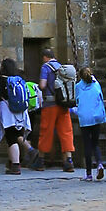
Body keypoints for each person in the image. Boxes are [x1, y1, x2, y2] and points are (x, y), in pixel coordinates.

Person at [35, 45, 76, 173]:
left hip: (50, 104)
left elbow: (42, 85)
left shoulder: (45, 67)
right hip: (63, 103)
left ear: (45, 57)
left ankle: (41, 160)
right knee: (66, 131)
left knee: (46, 130)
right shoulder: (61, 67)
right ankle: (68, 161)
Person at [0, 57, 30, 175]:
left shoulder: (1, 80)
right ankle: (13, 162)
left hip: (7, 112)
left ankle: (16, 165)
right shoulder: (19, 79)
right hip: (21, 112)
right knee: (17, 135)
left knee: (11, 139)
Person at [75, 66, 106, 179]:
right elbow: (101, 98)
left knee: (87, 145)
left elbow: (77, 100)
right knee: (95, 143)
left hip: (84, 118)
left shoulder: (78, 87)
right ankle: (99, 163)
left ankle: (88, 174)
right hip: (96, 116)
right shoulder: (96, 84)